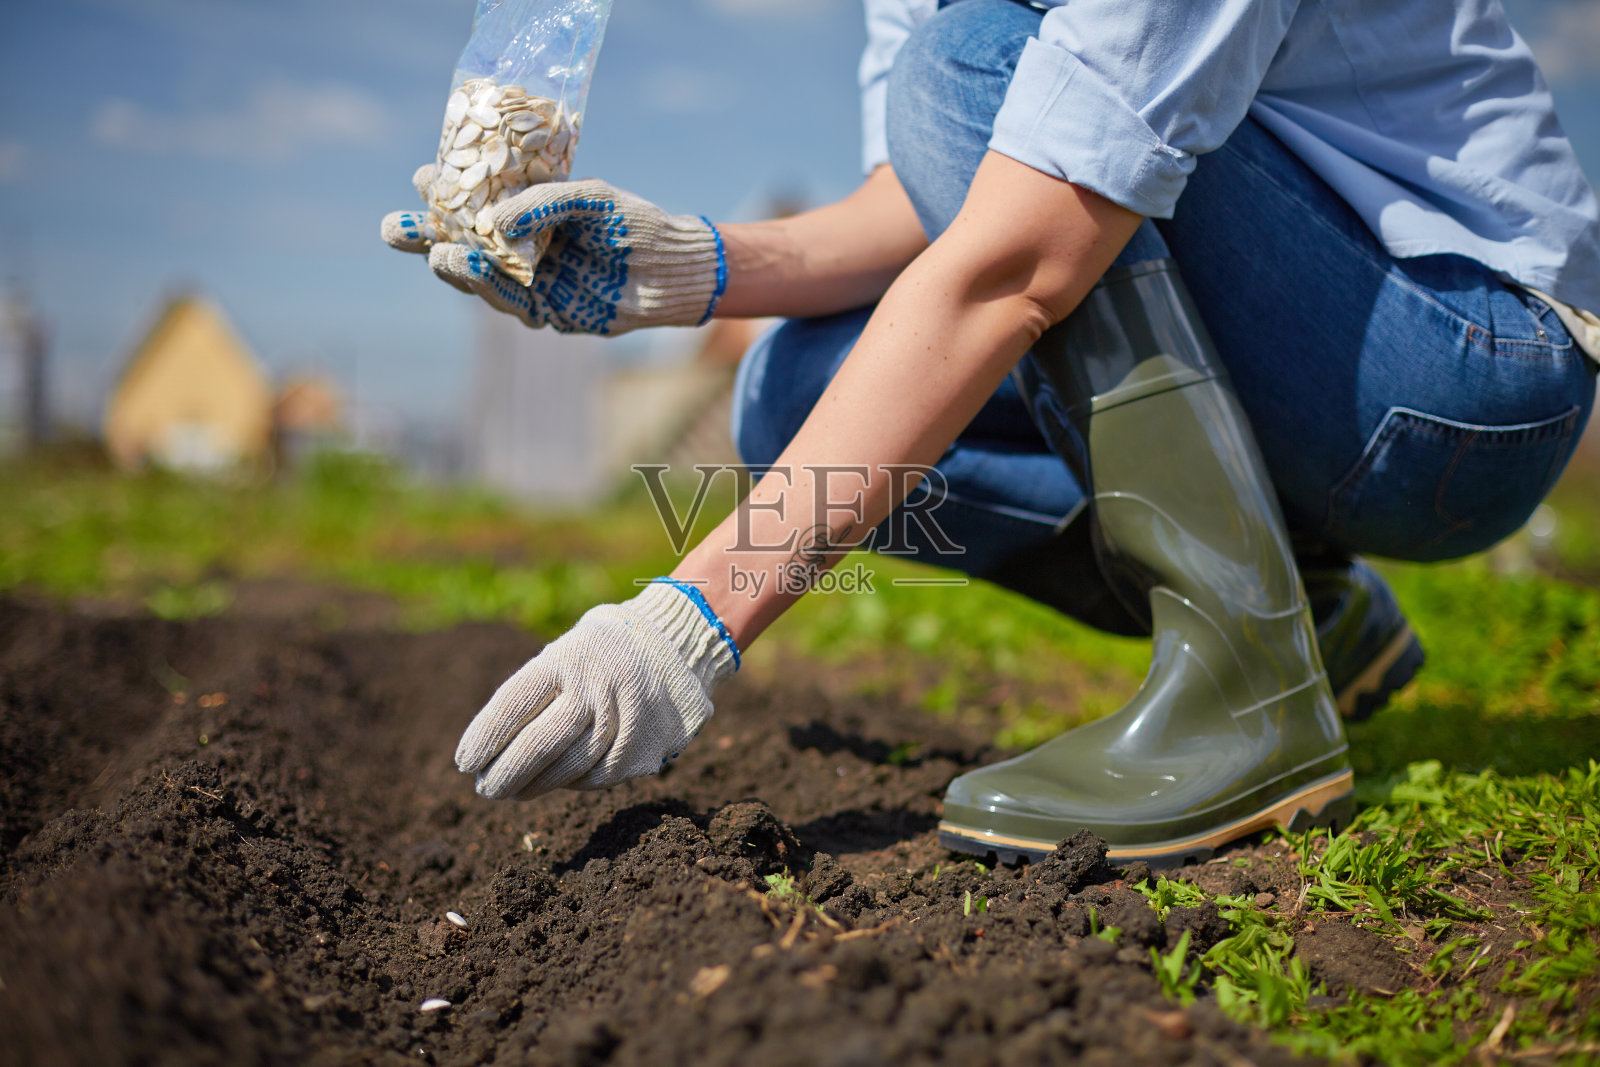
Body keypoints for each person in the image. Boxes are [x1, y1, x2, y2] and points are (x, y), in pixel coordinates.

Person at [382, 0, 1600, 865]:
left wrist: (686, 622)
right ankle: (1313, 612)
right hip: (1323, 360)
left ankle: (1245, 681)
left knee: (968, 59)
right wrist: (683, 269)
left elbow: (1016, 253)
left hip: (1466, 365)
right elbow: (933, 196)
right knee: (792, 387)